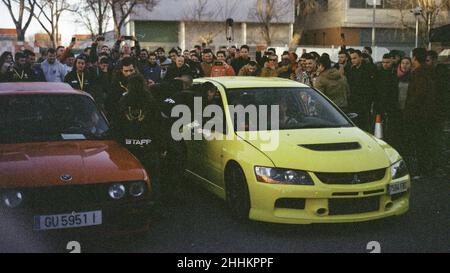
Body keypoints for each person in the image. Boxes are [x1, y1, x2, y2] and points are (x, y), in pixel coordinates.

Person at [112, 73, 165, 203]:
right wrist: (161, 146)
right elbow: (159, 126)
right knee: (152, 179)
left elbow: (116, 126)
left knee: (127, 180)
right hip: (149, 148)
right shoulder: (151, 101)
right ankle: (153, 205)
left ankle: (129, 205)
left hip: (128, 148)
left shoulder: (123, 102)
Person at [403, 48, 438, 177]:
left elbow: (417, 95)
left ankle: (422, 169)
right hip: (428, 113)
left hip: (418, 114)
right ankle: (426, 167)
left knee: (419, 142)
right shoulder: (430, 72)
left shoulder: (418, 73)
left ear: (415, 58)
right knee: (425, 142)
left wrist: (409, 109)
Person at [374, 53, 400, 147]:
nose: (385, 64)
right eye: (383, 62)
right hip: (380, 105)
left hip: (391, 106)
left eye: (387, 62)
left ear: (392, 61)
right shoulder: (379, 74)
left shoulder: (394, 74)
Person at [346, 50, 376, 131]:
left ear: (360, 58)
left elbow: (371, 86)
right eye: (351, 59)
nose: (353, 60)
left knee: (365, 124)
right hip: (354, 100)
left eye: (355, 58)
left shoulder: (368, 69)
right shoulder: (352, 70)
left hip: (365, 101)